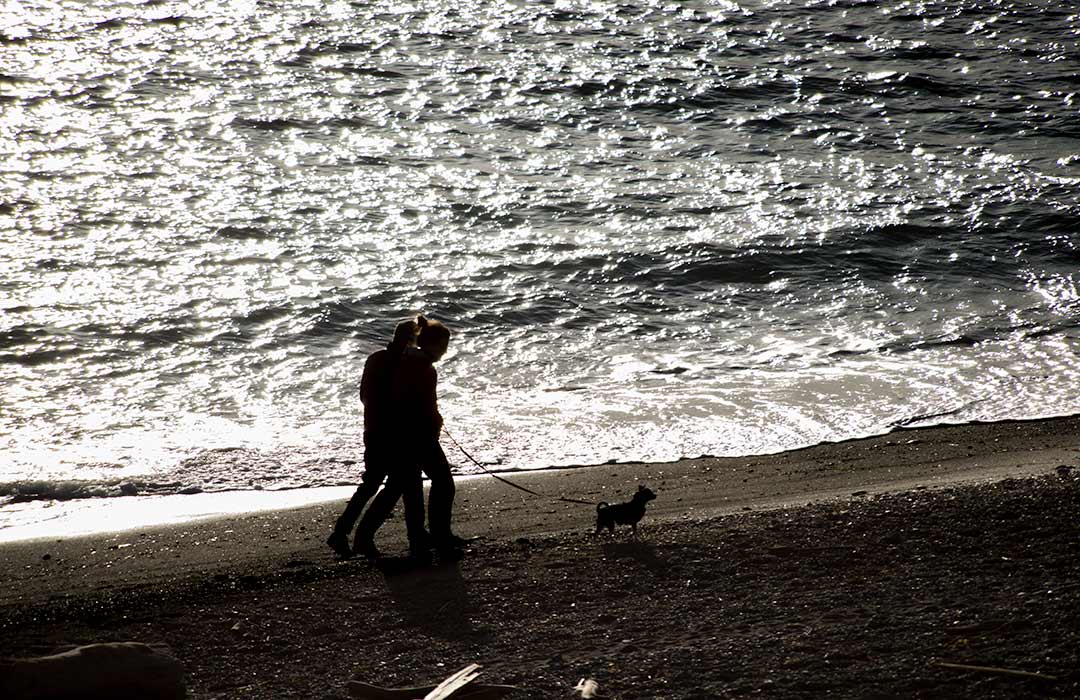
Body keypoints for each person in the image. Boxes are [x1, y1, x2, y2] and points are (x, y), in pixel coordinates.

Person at [352, 315, 466, 558]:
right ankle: (437, 535)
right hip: (415, 435)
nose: (445, 352)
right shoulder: (421, 366)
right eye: (443, 346)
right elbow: (411, 402)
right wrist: (432, 422)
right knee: (441, 483)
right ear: (433, 344)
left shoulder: (411, 362)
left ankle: (417, 538)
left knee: (408, 487)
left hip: (405, 434)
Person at [326, 319, 427, 558]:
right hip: (393, 434)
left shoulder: (376, 359)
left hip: (373, 431)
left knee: (374, 483)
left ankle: (342, 533)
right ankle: (364, 536)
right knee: (399, 483)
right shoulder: (402, 363)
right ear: (410, 341)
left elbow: (365, 397)